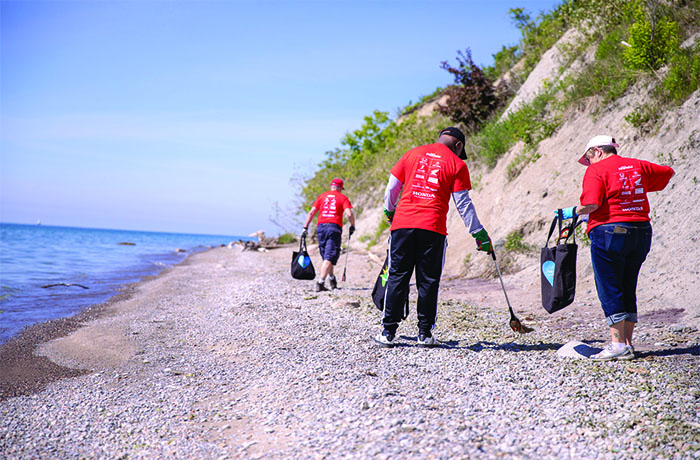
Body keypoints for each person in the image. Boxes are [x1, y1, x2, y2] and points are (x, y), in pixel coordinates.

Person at [557, 135, 674, 361]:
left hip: (609, 232)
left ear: (597, 151)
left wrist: (573, 211)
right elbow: (668, 173)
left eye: (588, 158)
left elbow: (591, 203)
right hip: (641, 231)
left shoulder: (596, 170)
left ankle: (617, 344)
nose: (589, 163)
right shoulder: (638, 165)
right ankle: (627, 344)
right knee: (628, 285)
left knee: (610, 286)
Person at [375, 126, 492, 348]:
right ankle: (424, 334)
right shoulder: (457, 164)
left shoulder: (412, 153)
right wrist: (478, 232)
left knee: (397, 277)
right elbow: (463, 203)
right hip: (432, 228)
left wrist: (390, 211)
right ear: (459, 145)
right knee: (428, 281)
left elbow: (392, 188)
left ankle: (387, 333)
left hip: (403, 225)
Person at [302, 178, 356, 291]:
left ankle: (332, 279)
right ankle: (320, 283)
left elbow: (311, 212)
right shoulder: (343, 198)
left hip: (321, 227)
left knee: (327, 256)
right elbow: (349, 213)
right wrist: (352, 225)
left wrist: (305, 228)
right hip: (334, 228)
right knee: (329, 256)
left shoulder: (322, 196)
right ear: (341, 188)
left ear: (331, 186)